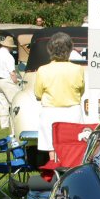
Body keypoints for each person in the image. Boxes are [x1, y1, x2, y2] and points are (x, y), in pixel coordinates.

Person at [34, 32, 85, 163]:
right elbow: (81, 91)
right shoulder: (78, 69)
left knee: (52, 148)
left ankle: (54, 168)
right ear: (70, 49)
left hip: (50, 112)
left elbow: (38, 94)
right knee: (71, 148)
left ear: (50, 49)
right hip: (72, 112)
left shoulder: (43, 70)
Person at [0, 35, 20, 132]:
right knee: (15, 102)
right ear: (10, 47)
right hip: (6, 80)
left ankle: (4, 125)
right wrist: (16, 82)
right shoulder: (8, 56)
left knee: (2, 105)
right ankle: (15, 125)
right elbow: (12, 72)